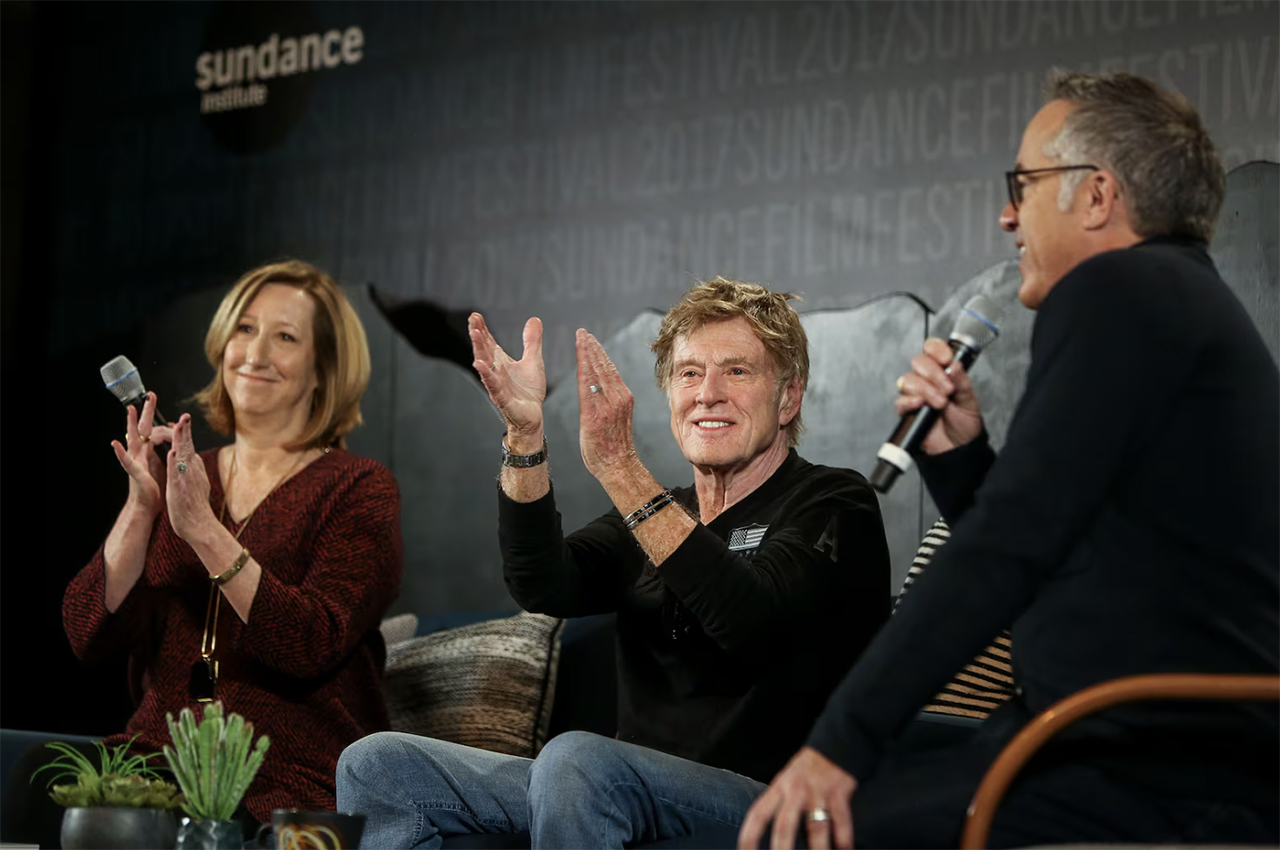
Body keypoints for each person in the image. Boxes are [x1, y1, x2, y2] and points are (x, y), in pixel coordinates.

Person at [740, 70, 1279, 849]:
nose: (1006, 214)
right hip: (1134, 749)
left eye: (1023, 185)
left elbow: (1010, 546)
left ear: (1097, 197)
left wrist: (839, 742)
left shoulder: (1119, 292)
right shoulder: (1176, 298)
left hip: (1151, 769)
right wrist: (963, 459)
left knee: (794, 833)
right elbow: (1066, 555)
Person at [337, 278, 891, 849]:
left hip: (772, 801)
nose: (708, 393)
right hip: (620, 785)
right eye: (689, 373)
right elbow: (541, 583)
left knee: (577, 760)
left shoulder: (833, 502)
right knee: (377, 764)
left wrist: (622, 471)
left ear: (789, 397)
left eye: (738, 371)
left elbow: (751, 620)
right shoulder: (659, 511)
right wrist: (525, 437)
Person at [14, 261, 403, 842]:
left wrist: (202, 528)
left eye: (286, 337)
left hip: (285, 773)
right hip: (158, 757)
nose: (256, 352)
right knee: (36, 780)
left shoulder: (359, 488)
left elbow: (312, 641)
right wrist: (143, 507)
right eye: (244, 329)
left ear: (324, 370)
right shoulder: (182, 475)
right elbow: (86, 631)